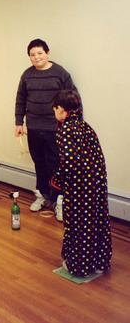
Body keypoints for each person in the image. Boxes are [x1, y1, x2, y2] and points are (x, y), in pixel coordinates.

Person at [15, 38, 78, 219]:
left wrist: (72, 126)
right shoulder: (27, 75)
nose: (36, 57)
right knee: (39, 163)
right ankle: (42, 195)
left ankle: (59, 201)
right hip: (33, 128)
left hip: (55, 129)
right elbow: (20, 100)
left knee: (56, 165)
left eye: (40, 53)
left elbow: (73, 100)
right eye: (32, 55)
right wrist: (19, 123)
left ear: (47, 53)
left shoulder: (60, 73)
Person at [51, 90, 112, 276]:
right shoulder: (86, 127)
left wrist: (56, 180)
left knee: (78, 223)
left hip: (79, 187)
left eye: (54, 109)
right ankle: (100, 262)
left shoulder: (65, 130)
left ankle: (79, 266)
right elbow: (98, 158)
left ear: (61, 109)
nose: (54, 112)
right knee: (96, 220)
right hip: (97, 183)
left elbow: (69, 162)